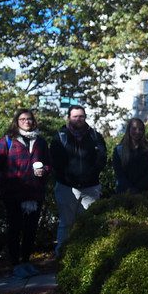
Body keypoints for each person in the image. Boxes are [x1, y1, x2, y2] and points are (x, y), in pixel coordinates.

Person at [0, 109, 51, 278]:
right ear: (16, 121)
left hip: (35, 192)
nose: (27, 121)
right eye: (23, 119)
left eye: (29, 119)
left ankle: (26, 261)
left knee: (31, 230)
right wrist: (6, 183)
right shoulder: (7, 141)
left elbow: (48, 164)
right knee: (15, 229)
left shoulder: (40, 141)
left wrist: (44, 171)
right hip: (13, 194)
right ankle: (15, 264)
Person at [48, 105, 107, 257]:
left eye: (81, 116)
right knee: (66, 223)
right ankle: (61, 254)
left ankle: (87, 254)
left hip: (90, 187)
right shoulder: (60, 137)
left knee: (88, 223)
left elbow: (101, 159)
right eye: (75, 116)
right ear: (69, 117)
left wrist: (90, 176)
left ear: (85, 117)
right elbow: (55, 162)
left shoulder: (95, 136)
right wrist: (69, 179)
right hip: (66, 186)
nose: (78, 119)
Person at [113, 117, 148, 194]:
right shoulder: (119, 150)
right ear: (128, 130)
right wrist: (130, 188)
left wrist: (137, 188)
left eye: (140, 129)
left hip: (146, 191)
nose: (137, 131)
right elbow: (119, 173)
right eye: (134, 128)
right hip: (124, 192)